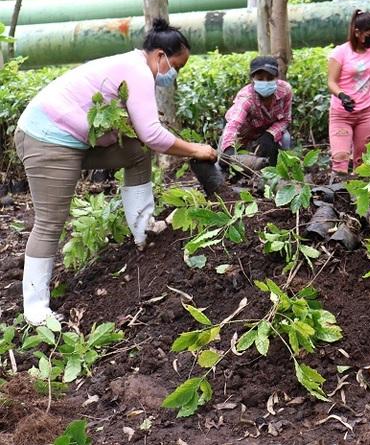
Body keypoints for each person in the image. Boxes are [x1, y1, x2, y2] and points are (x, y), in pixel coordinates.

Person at [14, 18, 217, 325]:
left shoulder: (131, 66)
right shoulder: (138, 71)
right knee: (50, 222)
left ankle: (144, 229)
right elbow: (152, 134)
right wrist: (195, 149)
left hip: (72, 138)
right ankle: (35, 309)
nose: (174, 74)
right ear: (160, 55)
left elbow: (140, 136)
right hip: (47, 139)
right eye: (177, 66)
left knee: (136, 152)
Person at [327, 9, 370, 175]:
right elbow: (331, 82)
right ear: (357, 32)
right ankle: (338, 188)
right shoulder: (340, 52)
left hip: (366, 114)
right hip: (342, 113)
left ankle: (359, 190)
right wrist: (342, 96)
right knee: (340, 157)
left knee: (363, 161)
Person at [219, 56, 293, 169]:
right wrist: (228, 149)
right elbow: (234, 124)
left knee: (285, 139)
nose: (265, 82)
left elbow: (285, 120)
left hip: (264, 131)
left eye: (270, 78)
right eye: (260, 78)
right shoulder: (246, 98)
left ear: (277, 77)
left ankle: (282, 167)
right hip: (242, 132)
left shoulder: (285, 90)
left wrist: (270, 134)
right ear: (252, 79)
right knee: (226, 162)